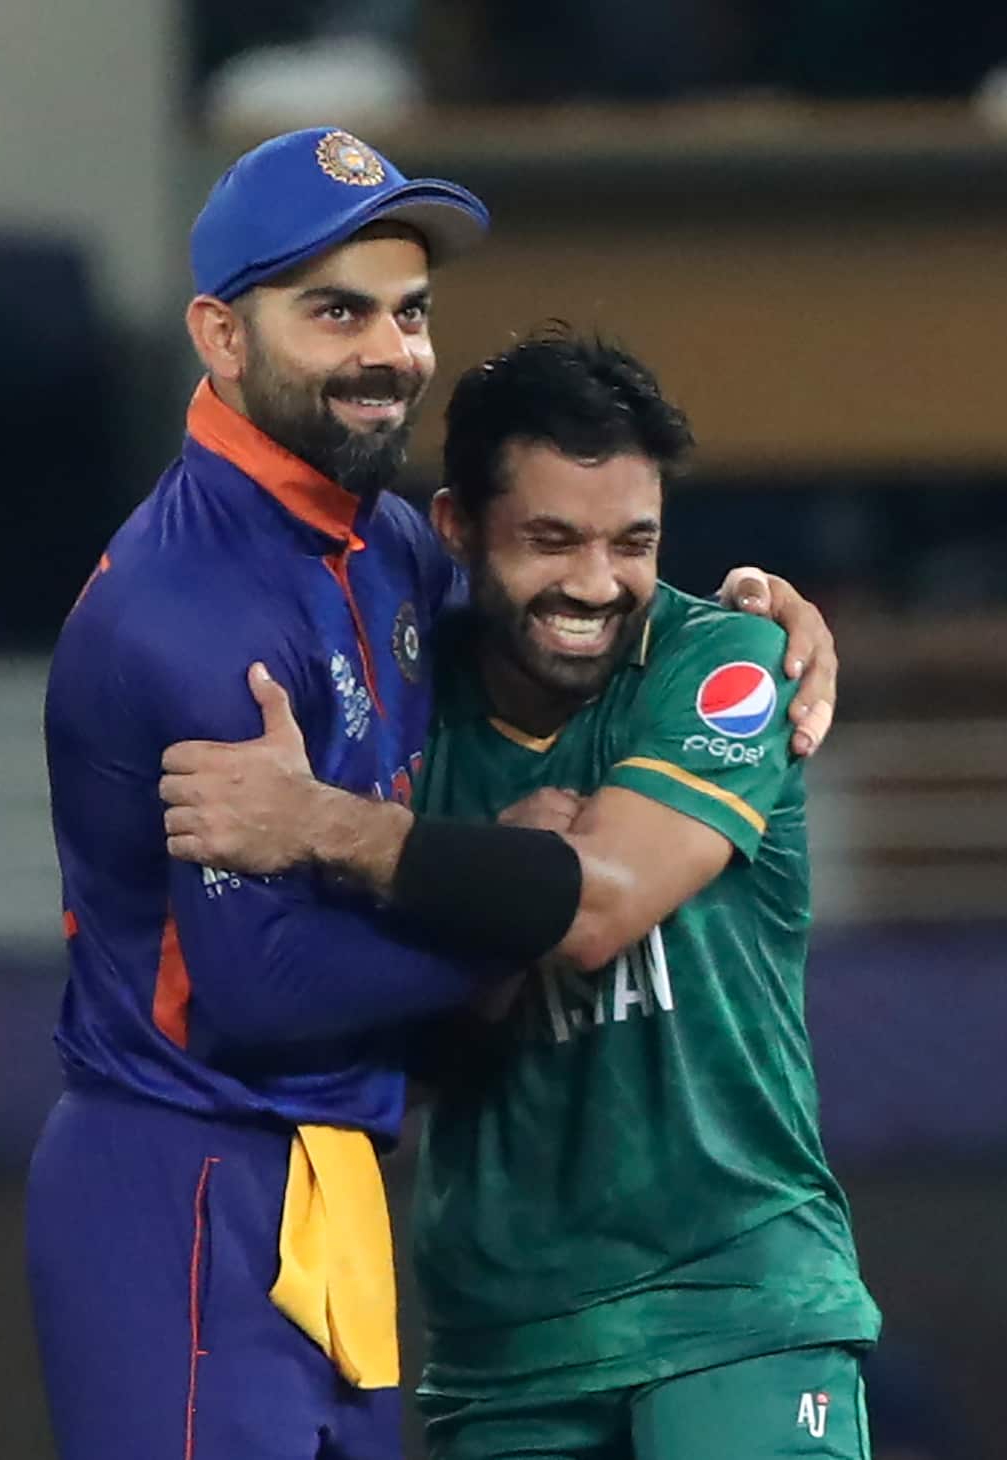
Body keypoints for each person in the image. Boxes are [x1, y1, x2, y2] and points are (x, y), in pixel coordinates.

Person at [33, 122, 837, 1460]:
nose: (387, 351)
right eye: (334, 310)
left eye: (408, 313)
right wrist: (491, 935)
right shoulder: (185, 609)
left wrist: (747, 617)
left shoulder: (385, 547)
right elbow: (260, 986)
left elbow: (567, 585)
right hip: (183, 1176)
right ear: (220, 337)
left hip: (330, 1186)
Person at [159, 331, 879, 1459]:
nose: (596, 583)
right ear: (457, 528)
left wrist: (321, 826)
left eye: (630, 542)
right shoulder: (399, 720)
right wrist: (481, 928)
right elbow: (385, 1058)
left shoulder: (723, 663)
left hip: (737, 1304)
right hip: (499, 1347)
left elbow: (596, 905)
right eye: (551, 538)